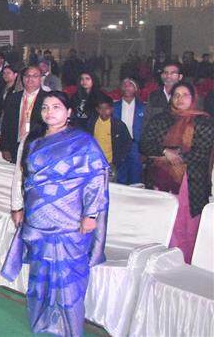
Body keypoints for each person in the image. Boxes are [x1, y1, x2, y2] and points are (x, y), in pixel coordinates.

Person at [2, 91, 109, 337]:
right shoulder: (33, 140)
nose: (49, 112)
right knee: (41, 273)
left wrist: (91, 215)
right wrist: (18, 207)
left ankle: (70, 328)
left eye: (56, 107)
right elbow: (23, 177)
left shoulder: (82, 142)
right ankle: (43, 322)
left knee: (68, 277)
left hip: (70, 221)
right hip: (38, 218)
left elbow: (96, 179)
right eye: (45, 107)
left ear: (69, 112)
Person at [140, 81, 214, 263]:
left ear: (193, 98)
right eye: (176, 95)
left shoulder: (203, 121)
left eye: (185, 95)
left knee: (187, 224)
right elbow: (144, 145)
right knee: (165, 221)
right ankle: (161, 262)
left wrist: (174, 156)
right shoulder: (160, 119)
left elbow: (201, 153)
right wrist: (165, 152)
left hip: (191, 183)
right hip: (160, 181)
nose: (180, 99)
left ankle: (185, 263)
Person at [0, 66, 48, 164]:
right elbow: (6, 123)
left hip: (38, 146)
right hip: (15, 144)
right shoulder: (13, 97)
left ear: (40, 78)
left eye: (35, 76)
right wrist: (4, 147)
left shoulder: (47, 98)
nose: (30, 79)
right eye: (27, 76)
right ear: (22, 78)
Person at [86, 94, 132, 181]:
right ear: (97, 109)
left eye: (106, 108)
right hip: (95, 162)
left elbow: (127, 142)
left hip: (112, 163)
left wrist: (120, 159)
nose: (103, 111)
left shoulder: (118, 125)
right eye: (101, 109)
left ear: (111, 109)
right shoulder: (92, 123)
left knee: (112, 185)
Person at [113, 78, 147, 184]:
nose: (127, 87)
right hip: (119, 145)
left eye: (130, 85)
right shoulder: (114, 107)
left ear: (136, 88)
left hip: (136, 146)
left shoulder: (143, 107)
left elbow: (146, 129)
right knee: (120, 177)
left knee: (136, 178)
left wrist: (144, 150)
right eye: (124, 85)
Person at [145, 61, 183, 126]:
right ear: (161, 76)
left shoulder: (186, 97)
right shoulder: (153, 96)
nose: (168, 76)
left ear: (180, 77)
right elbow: (147, 120)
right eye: (165, 73)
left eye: (173, 73)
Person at [0, 65, 19, 129]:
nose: (5, 75)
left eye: (8, 73)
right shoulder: (1, 87)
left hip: (11, 119)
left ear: (15, 75)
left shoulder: (18, 89)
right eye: (4, 73)